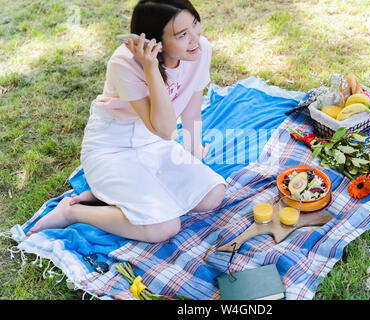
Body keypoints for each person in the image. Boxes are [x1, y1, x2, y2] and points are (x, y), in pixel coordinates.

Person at [27, 0, 227, 242]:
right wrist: (151, 67)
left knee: (213, 194)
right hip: (112, 150)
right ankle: (74, 211)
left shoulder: (199, 50)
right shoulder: (124, 63)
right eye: (183, 34)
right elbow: (164, 128)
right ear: (156, 41)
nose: (196, 38)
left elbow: (192, 113)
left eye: (195, 24)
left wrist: (193, 157)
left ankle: (109, 196)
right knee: (164, 226)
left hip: (153, 146)